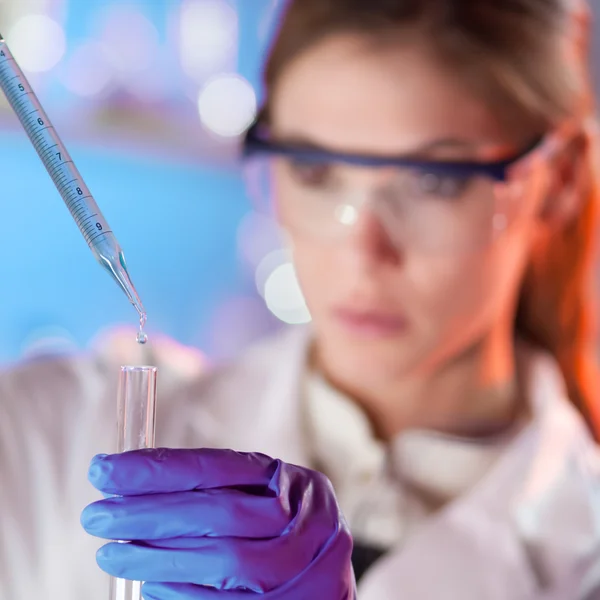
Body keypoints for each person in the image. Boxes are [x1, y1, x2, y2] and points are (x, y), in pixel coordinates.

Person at [1, 0, 600, 598]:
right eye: (314, 171)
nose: (363, 250)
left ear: (563, 178)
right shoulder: (52, 438)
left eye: (434, 180)